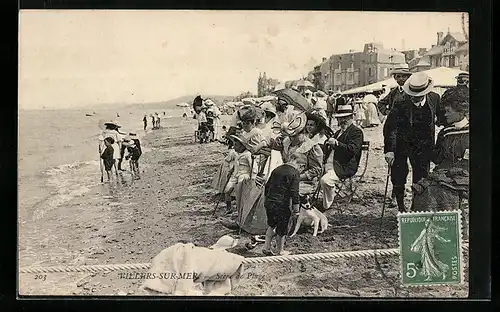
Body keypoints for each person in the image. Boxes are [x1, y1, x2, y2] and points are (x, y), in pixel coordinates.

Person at [384, 72, 442, 212]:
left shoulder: (434, 98)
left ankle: (417, 207)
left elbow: (441, 118)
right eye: (412, 97)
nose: (414, 99)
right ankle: (401, 207)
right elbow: (390, 128)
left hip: (423, 147)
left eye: (418, 97)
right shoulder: (400, 102)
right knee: (398, 176)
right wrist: (390, 150)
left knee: (421, 178)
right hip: (401, 145)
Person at [412, 87, 469, 212]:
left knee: (444, 193)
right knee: (424, 192)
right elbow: (437, 159)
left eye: (448, 111)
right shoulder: (444, 133)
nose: (445, 114)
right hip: (445, 174)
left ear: (461, 111)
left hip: (466, 176)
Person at [320, 104, 364, 210]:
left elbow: (352, 150)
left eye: (345, 118)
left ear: (351, 118)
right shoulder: (338, 132)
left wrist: (337, 144)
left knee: (325, 180)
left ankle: (327, 206)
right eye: (340, 118)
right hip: (331, 163)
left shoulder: (356, 132)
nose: (342, 121)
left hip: (344, 165)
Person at [262, 158, 300, 256]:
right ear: (299, 164)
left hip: (270, 201)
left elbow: (267, 186)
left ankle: (266, 247)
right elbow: (294, 192)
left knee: (271, 224)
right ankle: (280, 250)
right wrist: (296, 210)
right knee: (282, 228)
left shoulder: (276, 169)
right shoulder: (294, 173)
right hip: (281, 204)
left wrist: (266, 199)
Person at [224, 135, 253, 215]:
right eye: (234, 144)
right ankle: (229, 208)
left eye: (236, 145)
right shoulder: (236, 154)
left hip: (244, 175)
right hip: (235, 175)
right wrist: (230, 170)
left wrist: (252, 178)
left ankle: (240, 211)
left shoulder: (248, 154)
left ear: (242, 146)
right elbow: (233, 164)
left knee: (239, 195)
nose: (234, 146)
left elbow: (253, 167)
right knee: (227, 190)